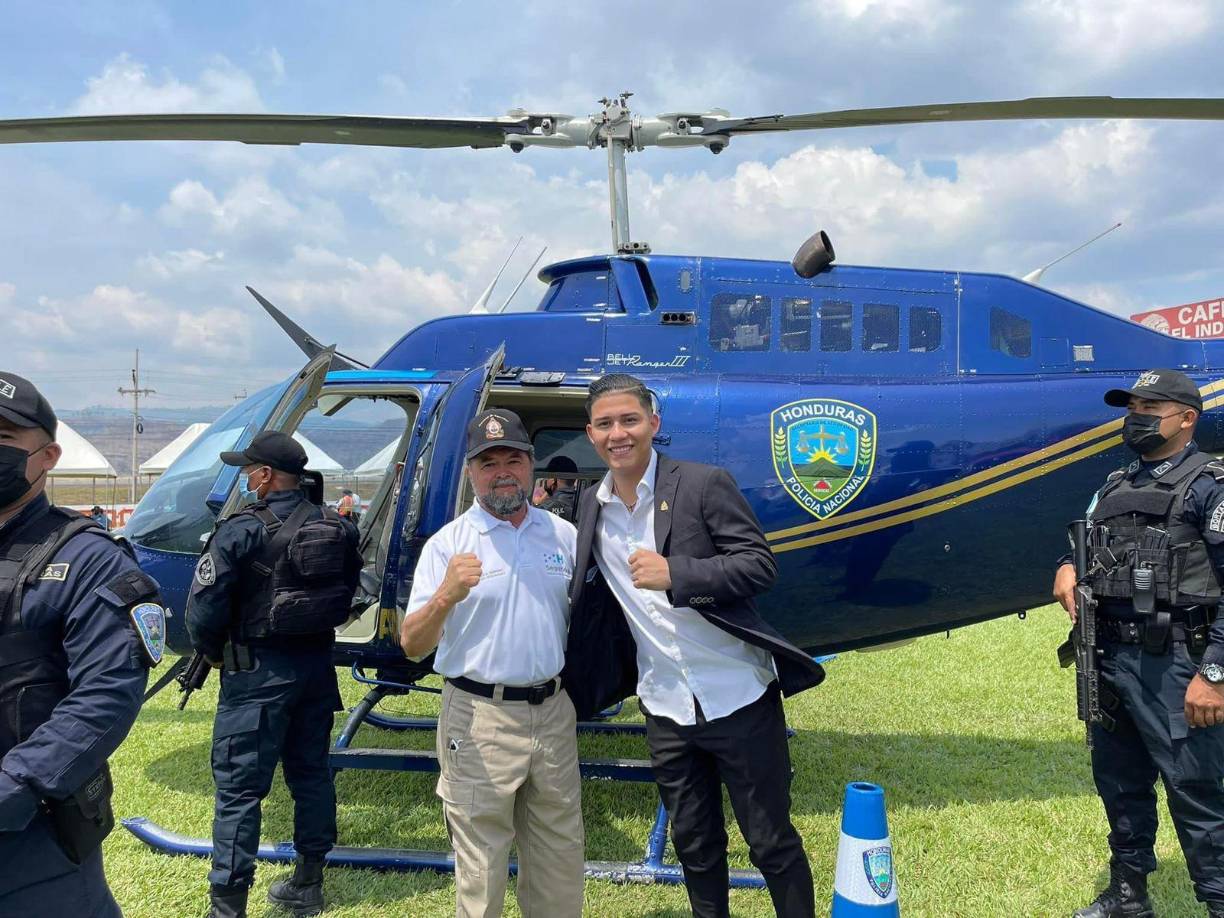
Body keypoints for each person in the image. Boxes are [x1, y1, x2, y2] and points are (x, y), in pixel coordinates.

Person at [564, 373, 824, 918]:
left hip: (738, 696)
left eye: (630, 420)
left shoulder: (704, 484)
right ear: (590, 434)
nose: (618, 434)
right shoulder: (590, 506)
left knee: (770, 843)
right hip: (665, 707)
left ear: (653, 423)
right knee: (695, 847)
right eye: (605, 424)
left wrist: (676, 573)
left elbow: (759, 565)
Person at [1052, 368, 1224, 918]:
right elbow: (1087, 540)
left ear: (1187, 418)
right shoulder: (1114, 483)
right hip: (1109, 659)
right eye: (1131, 409)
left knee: (1197, 792)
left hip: (1178, 662)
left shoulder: (1210, 485)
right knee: (1120, 784)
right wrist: (1065, 565)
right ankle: (1128, 896)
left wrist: (1215, 674)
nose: (1136, 419)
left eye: (1149, 409)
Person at [401, 408, 583, 918]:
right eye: (488, 463)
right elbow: (412, 645)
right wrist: (445, 595)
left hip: (553, 713)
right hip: (479, 717)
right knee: (481, 867)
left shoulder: (563, 536)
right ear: (470, 472)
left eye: (513, 460)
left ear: (531, 464)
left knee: (560, 856)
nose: (503, 472)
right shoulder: (448, 545)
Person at [0, 372, 164, 917]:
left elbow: (105, 696)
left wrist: (12, 787)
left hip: (31, 837)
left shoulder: (89, 560)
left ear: (47, 456)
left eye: (3, 437)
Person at [187, 430, 361, 918]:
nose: (246, 478)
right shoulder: (337, 525)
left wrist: (213, 653)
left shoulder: (240, 529)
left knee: (239, 790)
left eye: (249, 471)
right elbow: (349, 588)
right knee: (311, 775)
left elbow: (203, 611)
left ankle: (228, 906)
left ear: (265, 475)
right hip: (316, 671)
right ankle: (309, 882)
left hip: (256, 675)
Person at [537, 455, 579, 523]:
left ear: (552, 480)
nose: (546, 480)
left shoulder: (544, 509)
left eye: (547, 477)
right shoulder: (585, 503)